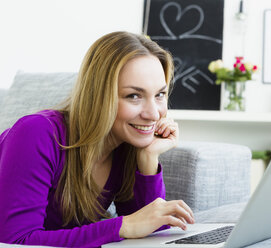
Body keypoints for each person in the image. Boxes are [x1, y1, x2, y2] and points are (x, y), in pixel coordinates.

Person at [0, 31, 194, 247]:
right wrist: (123, 226)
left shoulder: (124, 143)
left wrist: (148, 157)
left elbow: (149, 232)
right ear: (98, 96)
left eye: (159, 95)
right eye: (134, 96)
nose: (153, 113)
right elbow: (15, 242)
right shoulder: (35, 133)